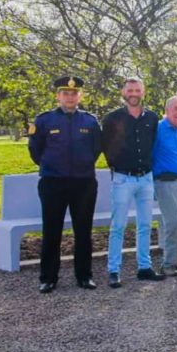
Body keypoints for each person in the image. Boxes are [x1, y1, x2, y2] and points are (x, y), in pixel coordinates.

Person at [28, 76, 102, 293]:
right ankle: (48, 278)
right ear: (58, 96)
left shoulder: (90, 121)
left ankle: (84, 276)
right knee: (52, 230)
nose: (70, 97)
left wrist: (83, 164)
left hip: (83, 183)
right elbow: (35, 151)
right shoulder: (44, 121)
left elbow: (96, 149)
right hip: (53, 183)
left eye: (74, 93)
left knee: (83, 231)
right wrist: (52, 166)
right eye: (66, 93)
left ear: (80, 96)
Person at [102, 77, 164, 288]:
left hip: (146, 178)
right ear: (123, 92)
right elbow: (106, 147)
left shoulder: (152, 118)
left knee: (145, 225)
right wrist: (117, 164)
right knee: (118, 226)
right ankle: (114, 270)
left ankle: (144, 267)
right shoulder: (112, 118)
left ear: (143, 92)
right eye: (130, 90)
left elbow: (154, 144)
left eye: (137, 90)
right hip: (122, 178)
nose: (134, 93)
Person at [153, 96, 177, 277]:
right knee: (173, 222)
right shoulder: (158, 129)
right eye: (176, 109)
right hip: (165, 182)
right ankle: (167, 265)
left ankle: (173, 262)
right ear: (167, 110)